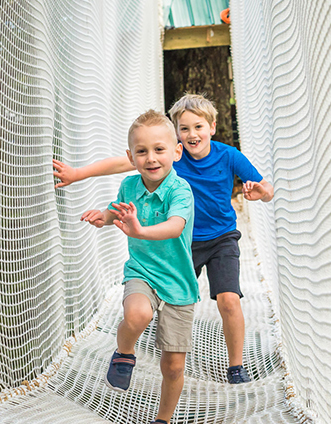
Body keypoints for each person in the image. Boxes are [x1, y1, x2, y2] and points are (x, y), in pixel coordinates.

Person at [54, 93, 274, 384]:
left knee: (229, 300)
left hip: (222, 238)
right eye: (184, 129)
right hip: (180, 243)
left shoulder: (228, 155)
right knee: (169, 298)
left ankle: (236, 366)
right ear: (177, 138)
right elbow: (124, 163)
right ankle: (147, 339)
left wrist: (262, 193)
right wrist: (78, 174)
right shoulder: (170, 157)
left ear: (212, 127)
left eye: (198, 127)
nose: (192, 134)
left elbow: (265, 187)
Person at [80, 110, 198, 424]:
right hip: (142, 271)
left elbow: (175, 226)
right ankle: (124, 352)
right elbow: (116, 213)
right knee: (136, 315)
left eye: (159, 149)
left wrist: (140, 231)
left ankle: (163, 419)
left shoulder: (180, 191)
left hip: (178, 284)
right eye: (142, 151)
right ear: (131, 157)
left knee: (173, 365)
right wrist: (102, 217)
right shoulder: (129, 185)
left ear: (176, 151)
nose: (151, 158)